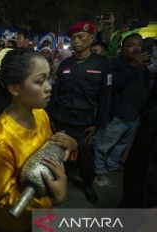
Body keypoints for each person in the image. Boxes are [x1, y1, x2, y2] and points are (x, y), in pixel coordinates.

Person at [0, 48, 77, 232]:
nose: (49, 86)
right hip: (16, 225)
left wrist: (70, 146)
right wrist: (53, 198)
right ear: (15, 88)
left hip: (42, 218)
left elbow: (49, 156)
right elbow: (4, 200)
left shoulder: (41, 114)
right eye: (39, 81)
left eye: (49, 78)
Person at [49, 21, 112, 204]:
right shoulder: (65, 64)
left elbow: (105, 97)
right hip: (62, 121)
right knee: (59, 156)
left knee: (86, 160)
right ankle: (60, 182)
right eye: (73, 38)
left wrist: (97, 125)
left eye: (80, 37)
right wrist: (52, 118)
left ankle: (87, 184)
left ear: (92, 39)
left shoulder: (102, 64)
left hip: (85, 125)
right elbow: (56, 93)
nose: (76, 41)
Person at [94, 33, 149, 186]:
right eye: (131, 46)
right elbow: (113, 87)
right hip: (117, 116)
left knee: (121, 146)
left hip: (134, 116)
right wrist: (131, 67)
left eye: (139, 45)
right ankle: (99, 173)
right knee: (103, 146)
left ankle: (111, 165)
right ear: (122, 48)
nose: (136, 49)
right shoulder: (115, 65)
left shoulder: (142, 66)